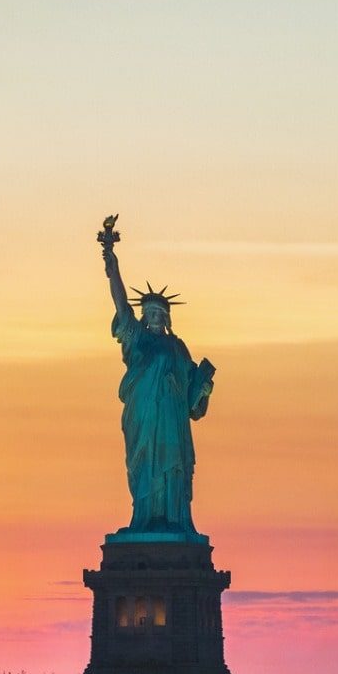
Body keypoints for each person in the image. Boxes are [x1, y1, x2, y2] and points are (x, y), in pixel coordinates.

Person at [100, 220, 215, 536]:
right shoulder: (137, 338)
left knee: (172, 464)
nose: (153, 318)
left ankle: (172, 520)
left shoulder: (177, 348)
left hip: (172, 422)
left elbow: (194, 403)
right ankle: (145, 519)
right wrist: (112, 263)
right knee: (145, 464)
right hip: (144, 416)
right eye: (148, 313)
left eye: (158, 314)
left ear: (166, 317)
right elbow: (121, 303)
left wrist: (204, 385)